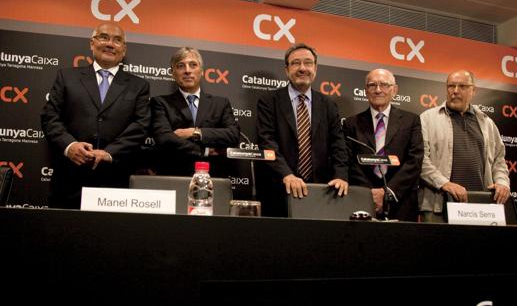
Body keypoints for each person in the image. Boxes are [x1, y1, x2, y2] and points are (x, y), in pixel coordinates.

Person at [41, 22, 151, 209]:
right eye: (103, 37)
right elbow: (50, 117)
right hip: (69, 180)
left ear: (123, 50)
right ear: (92, 43)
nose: (110, 43)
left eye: (117, 40)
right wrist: (70, 145)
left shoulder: (139, 86)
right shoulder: (66, 77)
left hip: (115, 182)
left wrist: (109, 152)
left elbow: (141, 126)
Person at [256, 43, 348, 217]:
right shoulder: (269, 101)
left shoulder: (328, 105)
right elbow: (267, 142)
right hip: (279, 189)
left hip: (321, 192)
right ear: (286, 69)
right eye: (296, 63)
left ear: (316, 68)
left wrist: (341, 176)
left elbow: (338, 144)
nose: (302, 68)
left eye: (308, 63)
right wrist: (287, 175)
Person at [418, 69, 510, 223]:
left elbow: (499, 160)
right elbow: (420, 159)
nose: (455, 91)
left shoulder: (486, 122)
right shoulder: (427, 119)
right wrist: (444, 183)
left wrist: (502, 182)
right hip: (439, 206)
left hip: (480, 207)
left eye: (462, 86)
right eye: (451, 86)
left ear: (473, 90)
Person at [343, 69, 423, 221]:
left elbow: (414, 160)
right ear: (366, 91)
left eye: (384, 85)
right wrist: (370, 193)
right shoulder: (351, 123)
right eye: (372, 85)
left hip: (401, 201)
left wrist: (388, 192)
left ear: (394, 90)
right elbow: (349, 161)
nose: (378, 90)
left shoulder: (411, 121)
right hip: (363, 201)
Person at [150, 47, 239, 176]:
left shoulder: (220, 103)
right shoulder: (160, 103)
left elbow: (233, 135)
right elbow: (164, 138)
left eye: (193, 65)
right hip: (173, 175)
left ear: (202, 71)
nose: (187, 71)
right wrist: (204, 151)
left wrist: (195, 132)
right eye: (181, 66)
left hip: (213, 177)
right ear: (172, 72)